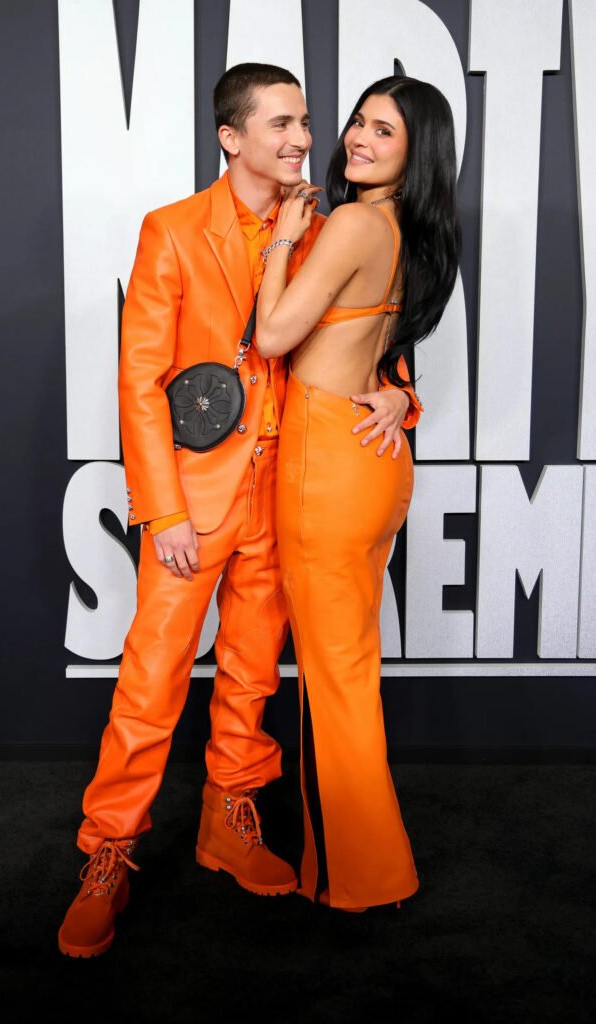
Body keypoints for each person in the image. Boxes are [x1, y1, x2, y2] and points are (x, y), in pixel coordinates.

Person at [58, 64, 419, 958]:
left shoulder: (334, 226)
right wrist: (162, 510)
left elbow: (371, 331)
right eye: (283, 124)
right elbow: (140, 383)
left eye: (306, 122)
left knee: (253, 674)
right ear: (232, 137)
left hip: (291, 489)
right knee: (152, 682)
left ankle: (230, 820)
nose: (304, 139)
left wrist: (399, 399)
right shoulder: (173, 231)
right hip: (198, 501)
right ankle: (108, 853)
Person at [255, 75, 460, 911]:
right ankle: (365, 862)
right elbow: (383, 346)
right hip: (375, 461)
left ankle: (359, 875)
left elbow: (272, 336)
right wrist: (399, 395)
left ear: (414, 158)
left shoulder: (351, 222)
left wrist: (281, 243)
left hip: (326, 463)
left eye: (384, 131)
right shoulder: (416, 228)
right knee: (351, 669)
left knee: (332, 679)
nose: (356, 139)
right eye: (359, 122)